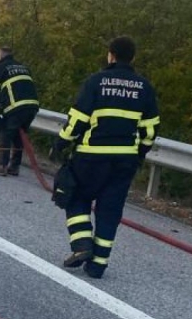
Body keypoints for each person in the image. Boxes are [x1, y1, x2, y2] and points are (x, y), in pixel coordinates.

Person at [53, 36, 160, 279]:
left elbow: (78, 119)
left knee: (76, 197)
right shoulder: (144, 87)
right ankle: (98, 264)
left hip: (91, 157)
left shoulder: (96, 81)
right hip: (124, 161)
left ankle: (81, 245)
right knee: (110, 210)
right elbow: (150, 129)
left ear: (110, 55)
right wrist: (139, 154)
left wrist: (61, 142)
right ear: (132, 58)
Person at [0, 47, 40, 176]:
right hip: (31, 107)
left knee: (6, 134)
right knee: (19, 136)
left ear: (0, 56)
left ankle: (2, 166)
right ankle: (14, 167)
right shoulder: (23, 67)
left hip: (15, 107)